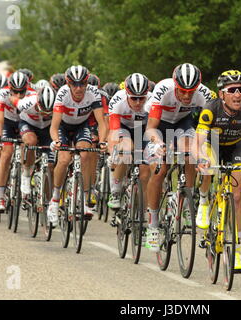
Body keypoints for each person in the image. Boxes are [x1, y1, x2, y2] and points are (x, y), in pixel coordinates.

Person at [194, 69, 241, 270]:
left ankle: (235, 250)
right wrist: (200, 157)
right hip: (213, 144)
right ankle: (203, 202)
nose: (238, 94)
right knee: (208, 167)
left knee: (236, 197)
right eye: (232, 90)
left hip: (236, 147)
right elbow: (199, 139)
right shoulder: (210, 108)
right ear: (222, 94)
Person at [143, 63, 212, 252]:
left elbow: (212, 123)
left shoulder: (205, 94)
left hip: (183, 122)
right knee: (160, 169)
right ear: (175, 85)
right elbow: (151, 128)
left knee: (190, 151)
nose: (188, 96)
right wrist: (158, 143)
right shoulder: (163, 89)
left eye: (192, 91)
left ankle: (188, 199)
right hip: (159, 125)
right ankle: (153, 225)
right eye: (183, 91)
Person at [47, 65, 108, 226]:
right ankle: (54, 200)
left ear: (87, 83)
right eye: (74, 84)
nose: (79, 88)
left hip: (82, 126)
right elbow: (54, 126)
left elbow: (102, 123)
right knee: (64, 159)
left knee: (86, 153)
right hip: (63, 127)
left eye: (82, 84)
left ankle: (87, 197)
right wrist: (56, 141)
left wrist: (103, 141)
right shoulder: (62, 94)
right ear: (68, 84)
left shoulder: (93, 93)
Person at [107, 73, 151, 211]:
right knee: (126, 148)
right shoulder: (117, 100)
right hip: (123, 127)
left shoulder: (152, 100)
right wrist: (114, 152)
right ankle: (115, 190)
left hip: (142, 128)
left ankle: (142, 213)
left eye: (141, 98)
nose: (138, 102)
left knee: (145, 171)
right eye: (134, 98)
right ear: (126, 94)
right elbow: (114, 130)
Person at [0, 71, 34, 210]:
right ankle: (0, 196)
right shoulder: (2, 94)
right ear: (9, 89)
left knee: (28, 145)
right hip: (8, 123)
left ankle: (25, 175)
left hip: (25, 122)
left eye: (21, 92)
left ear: (27, 88)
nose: (18, 95)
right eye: (15, 92)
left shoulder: (32, 94)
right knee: (6, 153)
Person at [16, 86, 56, 195]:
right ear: (38, 103)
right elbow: (14, 100)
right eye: (43, 111)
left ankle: (48, 200)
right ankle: (26, 175)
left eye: (49, 113)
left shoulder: (58, 105)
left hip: (47, 128)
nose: (46, 114)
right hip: (28, 124)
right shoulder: (27, 103)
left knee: (51, 166)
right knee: (30, 141)